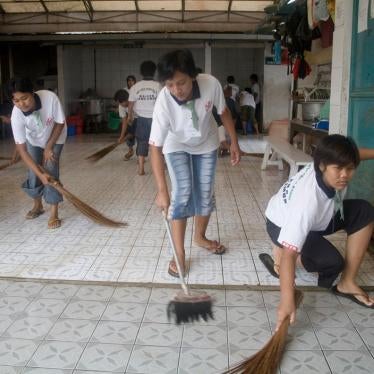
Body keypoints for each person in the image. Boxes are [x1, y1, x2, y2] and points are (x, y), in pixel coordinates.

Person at [261, 134, 374, 331]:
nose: (345, 175)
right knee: (331, 263)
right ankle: (278, 248)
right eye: (338, 169)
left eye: (350, 168)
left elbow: (356, 155)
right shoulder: (307, 202)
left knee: (364, 211)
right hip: (280, 223)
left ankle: (346, 283)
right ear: (322, 166)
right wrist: (287, 301)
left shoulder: (325, 161)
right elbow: (291, 255)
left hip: (324, 216)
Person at [149, 49, 241, 277]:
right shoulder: (163, 101)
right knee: (181, 192)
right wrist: (161, 190)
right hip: (176, 143)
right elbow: (155, 148)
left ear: (193, 75)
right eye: (169, 85)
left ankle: (199, 236)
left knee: (205, 193)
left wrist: (234, 142)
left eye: (181, 83)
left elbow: (224, 112)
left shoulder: (211, 85)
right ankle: (179, 253)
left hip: (206, 142)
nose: (176, 90)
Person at [9, 77, 67, 229]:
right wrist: (40, 175)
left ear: (32, 93)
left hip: (56, 136)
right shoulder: (16, 115)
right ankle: (38, 205)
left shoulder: (50, 98)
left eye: (25, 98)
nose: (22, 104)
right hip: (34, 141)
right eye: (16, 101)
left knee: (51, 169)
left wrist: (48, 147)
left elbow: (60, 123)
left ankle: (54, 212)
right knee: (34, 172)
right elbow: (22, 150)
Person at [119, 61, 161, 175]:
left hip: (141, 119)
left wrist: (130, 117)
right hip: (155, 120)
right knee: (156, 144)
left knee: (141, 142)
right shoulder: (158, 86)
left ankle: (141, 168)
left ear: (141, 72)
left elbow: (131, 104)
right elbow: (162, 104)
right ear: (154, 71)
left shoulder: (135, 87)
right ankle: (158, 168)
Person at [114, 89, 136, 161]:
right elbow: (124, 122)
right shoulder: (121, 106)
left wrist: (126, 137)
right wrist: (121, 137)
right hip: (132, 120)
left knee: (139, 134)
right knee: (126, 129)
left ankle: (141, 155)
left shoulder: (135, 102)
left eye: (121, 103)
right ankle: (130, 150)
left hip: (142, 119)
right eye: (119, 103)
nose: (120, 105)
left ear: (126, 99)